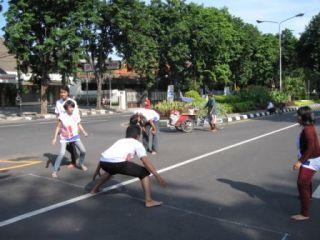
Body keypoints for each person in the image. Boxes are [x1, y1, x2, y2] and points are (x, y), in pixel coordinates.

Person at [91, 125, 167, 207]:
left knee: (111, 170)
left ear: (127, 134)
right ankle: (149, 201)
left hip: (103, 162)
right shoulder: (137, 143)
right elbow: (145, 161)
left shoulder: (120, 141)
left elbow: (105, 155)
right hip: (118, 163)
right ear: (138, 136)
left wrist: (97, 170)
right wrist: (158, 177)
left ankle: (94, 190)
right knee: (144, 173)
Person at [292, 106, 320, 220]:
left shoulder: (308, 130)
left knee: (302, 183)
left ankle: (304, 214)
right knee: (306, 182)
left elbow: (311, 148)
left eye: (298, 115)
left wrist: (300, 161)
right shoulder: (308, 127)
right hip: (311, 159)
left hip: (311, 160)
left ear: (303, 117)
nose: (296, 117)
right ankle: (307, 197)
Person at [51, 100, 88, 178]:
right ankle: (55, 171)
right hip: (65, 137)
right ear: (66, 108)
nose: (72, 109)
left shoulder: (75, 115)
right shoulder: (62, 115)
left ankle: (80, 164)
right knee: (62, 153)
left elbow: (79, 124)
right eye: (70, 107)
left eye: (73, 107)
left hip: (74, 136)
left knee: (83, 151)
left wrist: (84, 132)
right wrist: (55, 138)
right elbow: (58, 127)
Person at [55, 86, 80, 167]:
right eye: (61, 92)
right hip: (63, 126)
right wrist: (58, 127)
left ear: (67, 93)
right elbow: (58, 115)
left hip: (71, 126)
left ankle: (73, 162)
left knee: (72, 144)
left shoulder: (72, 102)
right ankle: (75, 154)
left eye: (64, 92)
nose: (62, 94)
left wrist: (77, 127)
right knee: (64, 143)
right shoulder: (58, 102)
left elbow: (76, 114)